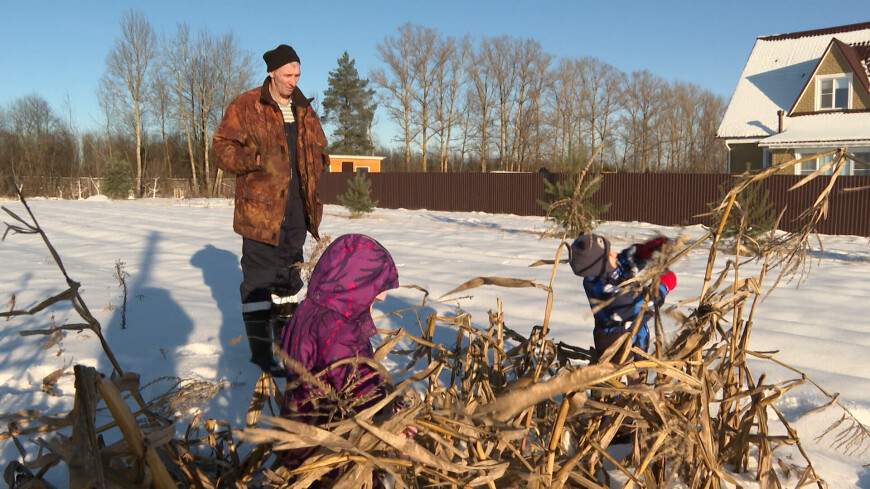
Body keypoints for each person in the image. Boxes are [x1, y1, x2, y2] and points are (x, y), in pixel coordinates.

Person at [213, 44, 329, 377]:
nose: (294, 81)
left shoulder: (304, 108)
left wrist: (319, 163)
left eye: (297, 75)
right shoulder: (247, 105)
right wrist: (253, 160)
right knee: (259, 283)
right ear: (272, 73)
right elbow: (221, 147)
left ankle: (288, 349)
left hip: (297, 210)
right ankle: (261, 355)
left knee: (289, 282)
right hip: (260, 213)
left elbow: (319, 146)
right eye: (288, 75)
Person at [279, 233, 399, 470]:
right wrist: (391, 418)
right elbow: (360, 390)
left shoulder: (306, 311)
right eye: (371, 301)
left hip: (297, 432)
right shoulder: (339, 331)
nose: (373, 307)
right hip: (330, 445)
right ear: (357, 289)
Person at [569, 234, 676, 363]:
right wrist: (662, 287)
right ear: (598, 265)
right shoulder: (604, 292)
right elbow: (640, 307)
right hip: (618, 346)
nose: (615, 254)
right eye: (609, 254)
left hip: (633, 338)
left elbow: (625, 262)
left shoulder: (607, 272)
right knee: (627, 379)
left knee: (638, 373)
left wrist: (646, 251)